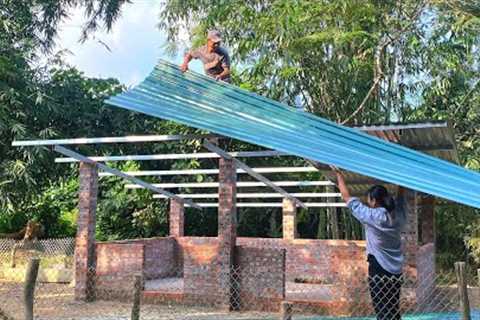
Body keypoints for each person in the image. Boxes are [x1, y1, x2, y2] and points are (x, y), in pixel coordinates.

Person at [332, 166, 407, 320]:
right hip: (396, 271)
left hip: (379, 268)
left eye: (369, 200)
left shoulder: (371, 216)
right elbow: (401, 198)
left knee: (382, 309)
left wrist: (338, 174)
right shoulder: (399, 215)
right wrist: (402, 178)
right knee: (393, 308)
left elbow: (347, 198)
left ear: (373, 201)